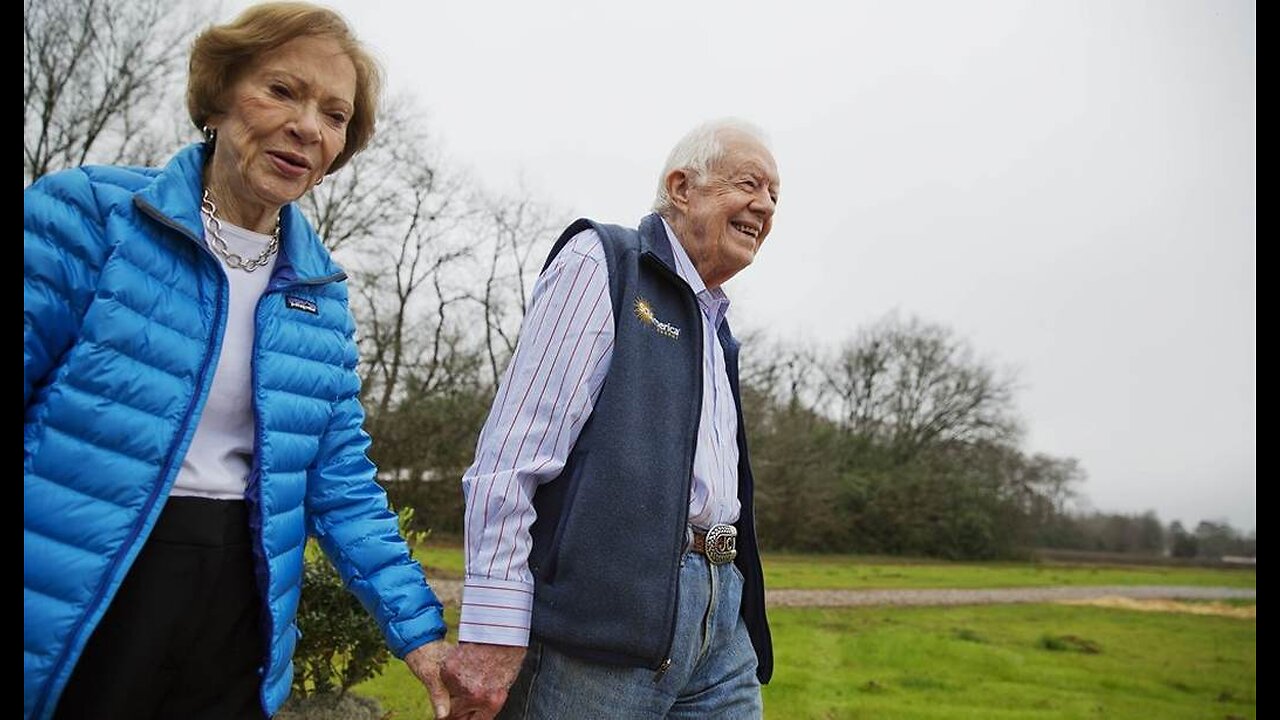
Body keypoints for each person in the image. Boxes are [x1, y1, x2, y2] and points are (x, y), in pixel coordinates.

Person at [23, 4, 451, 719]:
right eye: (282, 91)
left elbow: (340, 485)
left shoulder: (321, 295)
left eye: (335, 115)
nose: (309, 127)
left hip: (237, 608)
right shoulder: (87, 216)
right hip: (84, 590)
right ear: (218, 97)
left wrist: (421, 637)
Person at [441, 120, 780, 719]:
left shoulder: (718, 328)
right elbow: (510, 458)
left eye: (775, 196)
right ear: (681, 187)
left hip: (722, 631)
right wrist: (493, 628)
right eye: (749, 184)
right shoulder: (605, 262)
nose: (764, 205)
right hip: (601, 631)